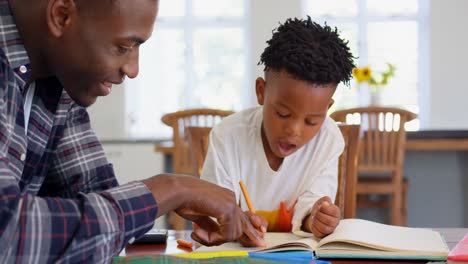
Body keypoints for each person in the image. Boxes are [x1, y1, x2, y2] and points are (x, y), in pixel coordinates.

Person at [0, 0, 266, 262]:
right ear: (61, 16)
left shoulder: (61, 85)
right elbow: (8, 236)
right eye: (123, 47)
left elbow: (98, 201)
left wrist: (175, 198)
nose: (133, 69)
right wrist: (172, 189)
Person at [201, 17, 355, 241]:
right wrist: (234, 222)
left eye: (311, 121)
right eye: (282, 114)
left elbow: (313, 204)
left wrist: (316, 219)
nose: (293, 130)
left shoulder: (328, 139)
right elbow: (213, 210)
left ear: (327, 109)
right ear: (261, 91)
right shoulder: (227, 137)